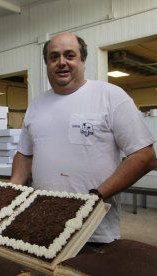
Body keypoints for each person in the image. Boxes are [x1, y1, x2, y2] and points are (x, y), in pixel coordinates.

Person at [11, 32, 157, 243]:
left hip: (93, 229)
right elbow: (25, 154)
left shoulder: (110, 96)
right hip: (41, 223)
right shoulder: (36, 105)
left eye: (69, 55)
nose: (62, 62)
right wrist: (11, 189)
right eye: (54, 57)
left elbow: (144, 155)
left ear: (82, 60)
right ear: (47, 64)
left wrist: (94, 197)